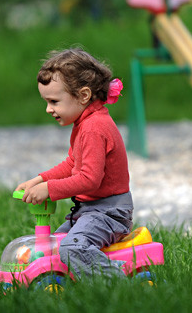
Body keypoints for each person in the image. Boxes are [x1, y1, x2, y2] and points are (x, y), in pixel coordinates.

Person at [16, 48, 131, 279]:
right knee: (54, 247)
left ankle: (120, 282)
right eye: (47, 101)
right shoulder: (84, 123)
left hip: (108, 212)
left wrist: (49, 190)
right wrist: (39, 180)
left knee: (71, 249)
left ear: (83, 95)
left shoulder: (94, 128)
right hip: (89, 211)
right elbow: (72, 164)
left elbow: (89, 179)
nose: (49, 109)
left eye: (54, 101)